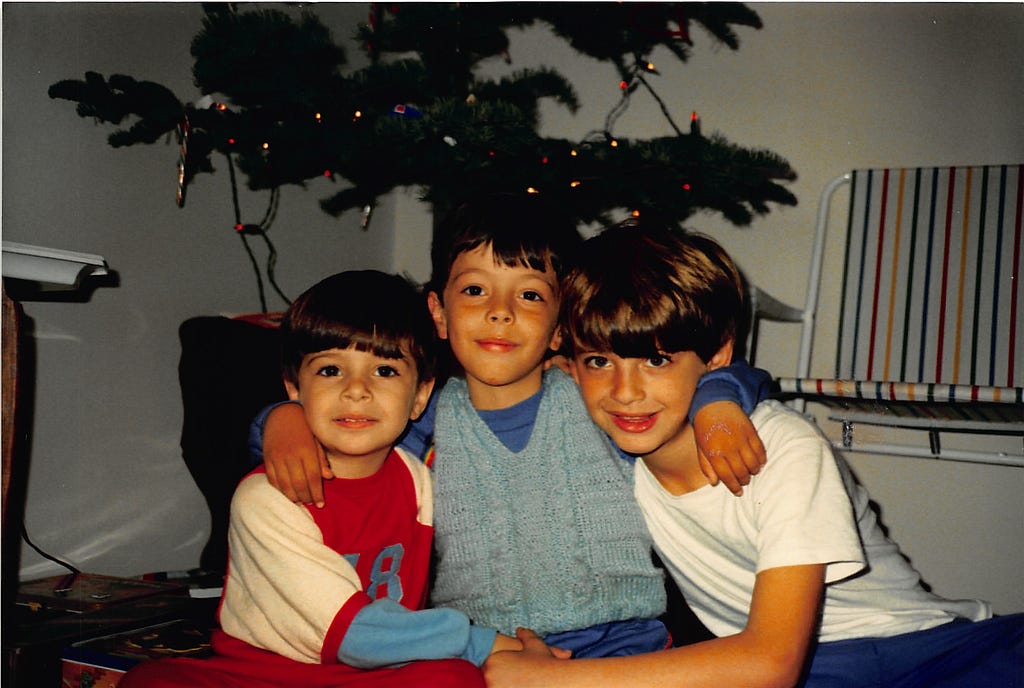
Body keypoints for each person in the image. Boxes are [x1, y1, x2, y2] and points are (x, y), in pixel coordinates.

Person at [483, 220, 1024, 687]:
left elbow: (770, 664)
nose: (625, 392)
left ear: (717, 357)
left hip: (912, 648)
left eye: (657, 360)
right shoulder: (599, 442)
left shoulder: (785, 449)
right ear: (572, 364)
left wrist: (556, 679)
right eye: (600, 362)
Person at [253, 193, 774, 659]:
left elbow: (700, 373)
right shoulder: (420, 417)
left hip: (625, 648)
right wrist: (283, 419)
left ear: (560, 325)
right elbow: (344, 431)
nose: (500, 313)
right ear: (438, 312)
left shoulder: (597, 394)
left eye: (529, 296)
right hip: (487, 656)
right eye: (476, 290)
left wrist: (716, 404)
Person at [121, 271, 512, 688]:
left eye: (384, 371)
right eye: (329, 371)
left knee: (452, 679)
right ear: (294, 386)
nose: (356, 390)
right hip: (266, 674)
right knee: (151, 681)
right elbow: (351, 634)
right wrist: (485, 644)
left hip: (378, 670)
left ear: (419, 397)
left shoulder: (417, 479)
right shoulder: (266, 499)